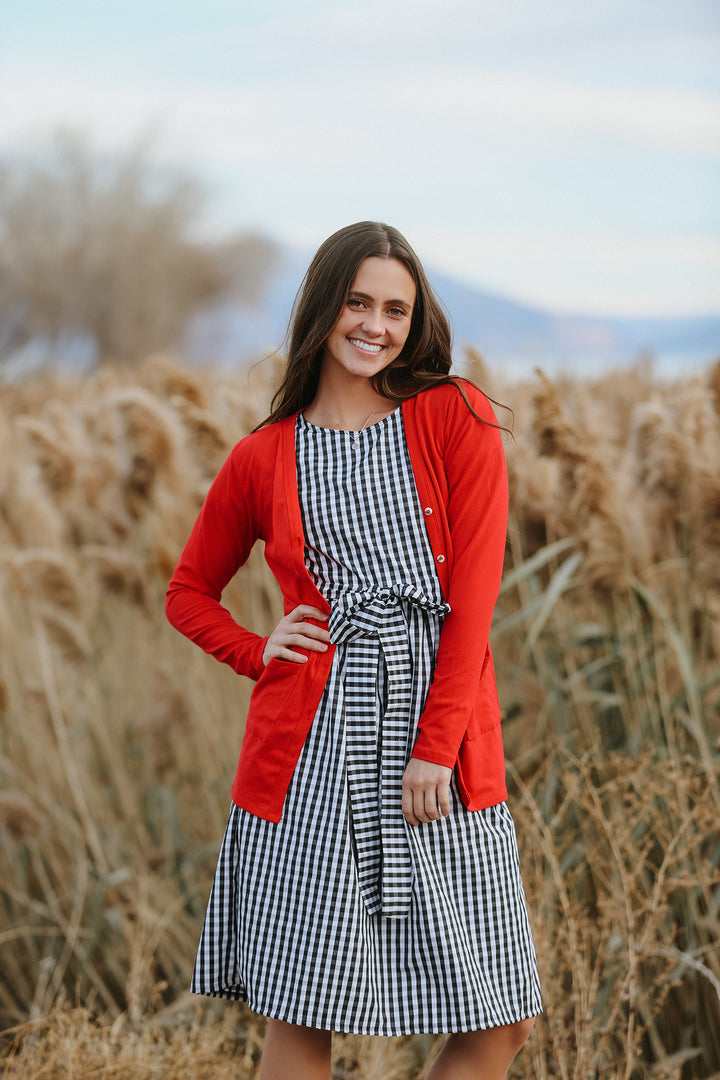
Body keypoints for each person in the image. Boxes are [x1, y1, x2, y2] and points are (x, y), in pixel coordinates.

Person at [166, 221, 542, 1079]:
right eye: (359, 301)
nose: (375, 324)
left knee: (500, 1016)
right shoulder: (263, 456)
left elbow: (473, 605)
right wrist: (260, 650)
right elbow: (187, 593)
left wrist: (434, 749)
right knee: (304, 1013)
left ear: (416, 322)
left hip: (439, 750)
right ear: (324, 307)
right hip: (308, 756)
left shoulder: (456, 415)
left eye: (397, 310)